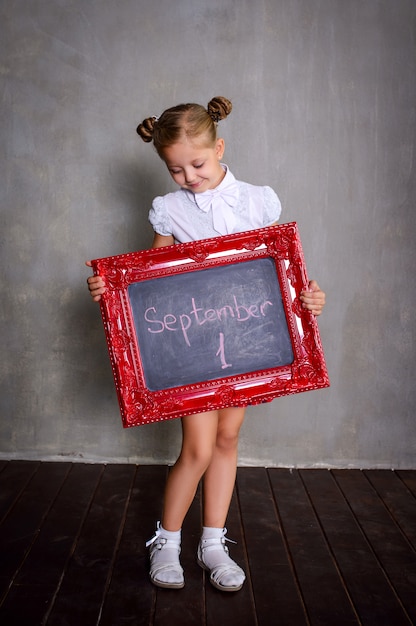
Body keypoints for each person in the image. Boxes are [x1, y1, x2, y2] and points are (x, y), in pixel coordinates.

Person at [86, 96, 325, 592]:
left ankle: (212, 541)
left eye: (197, 164)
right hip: (192, 349)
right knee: (195, 448)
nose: (189, 176)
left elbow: (279, 269)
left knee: (226, 439)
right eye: (176, 170)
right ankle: (167, 540)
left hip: (246, 342)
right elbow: (151, 281)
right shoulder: (170, 210)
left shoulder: (260, 200)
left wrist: (310, 297)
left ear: (219, 147)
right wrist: (111, 289)